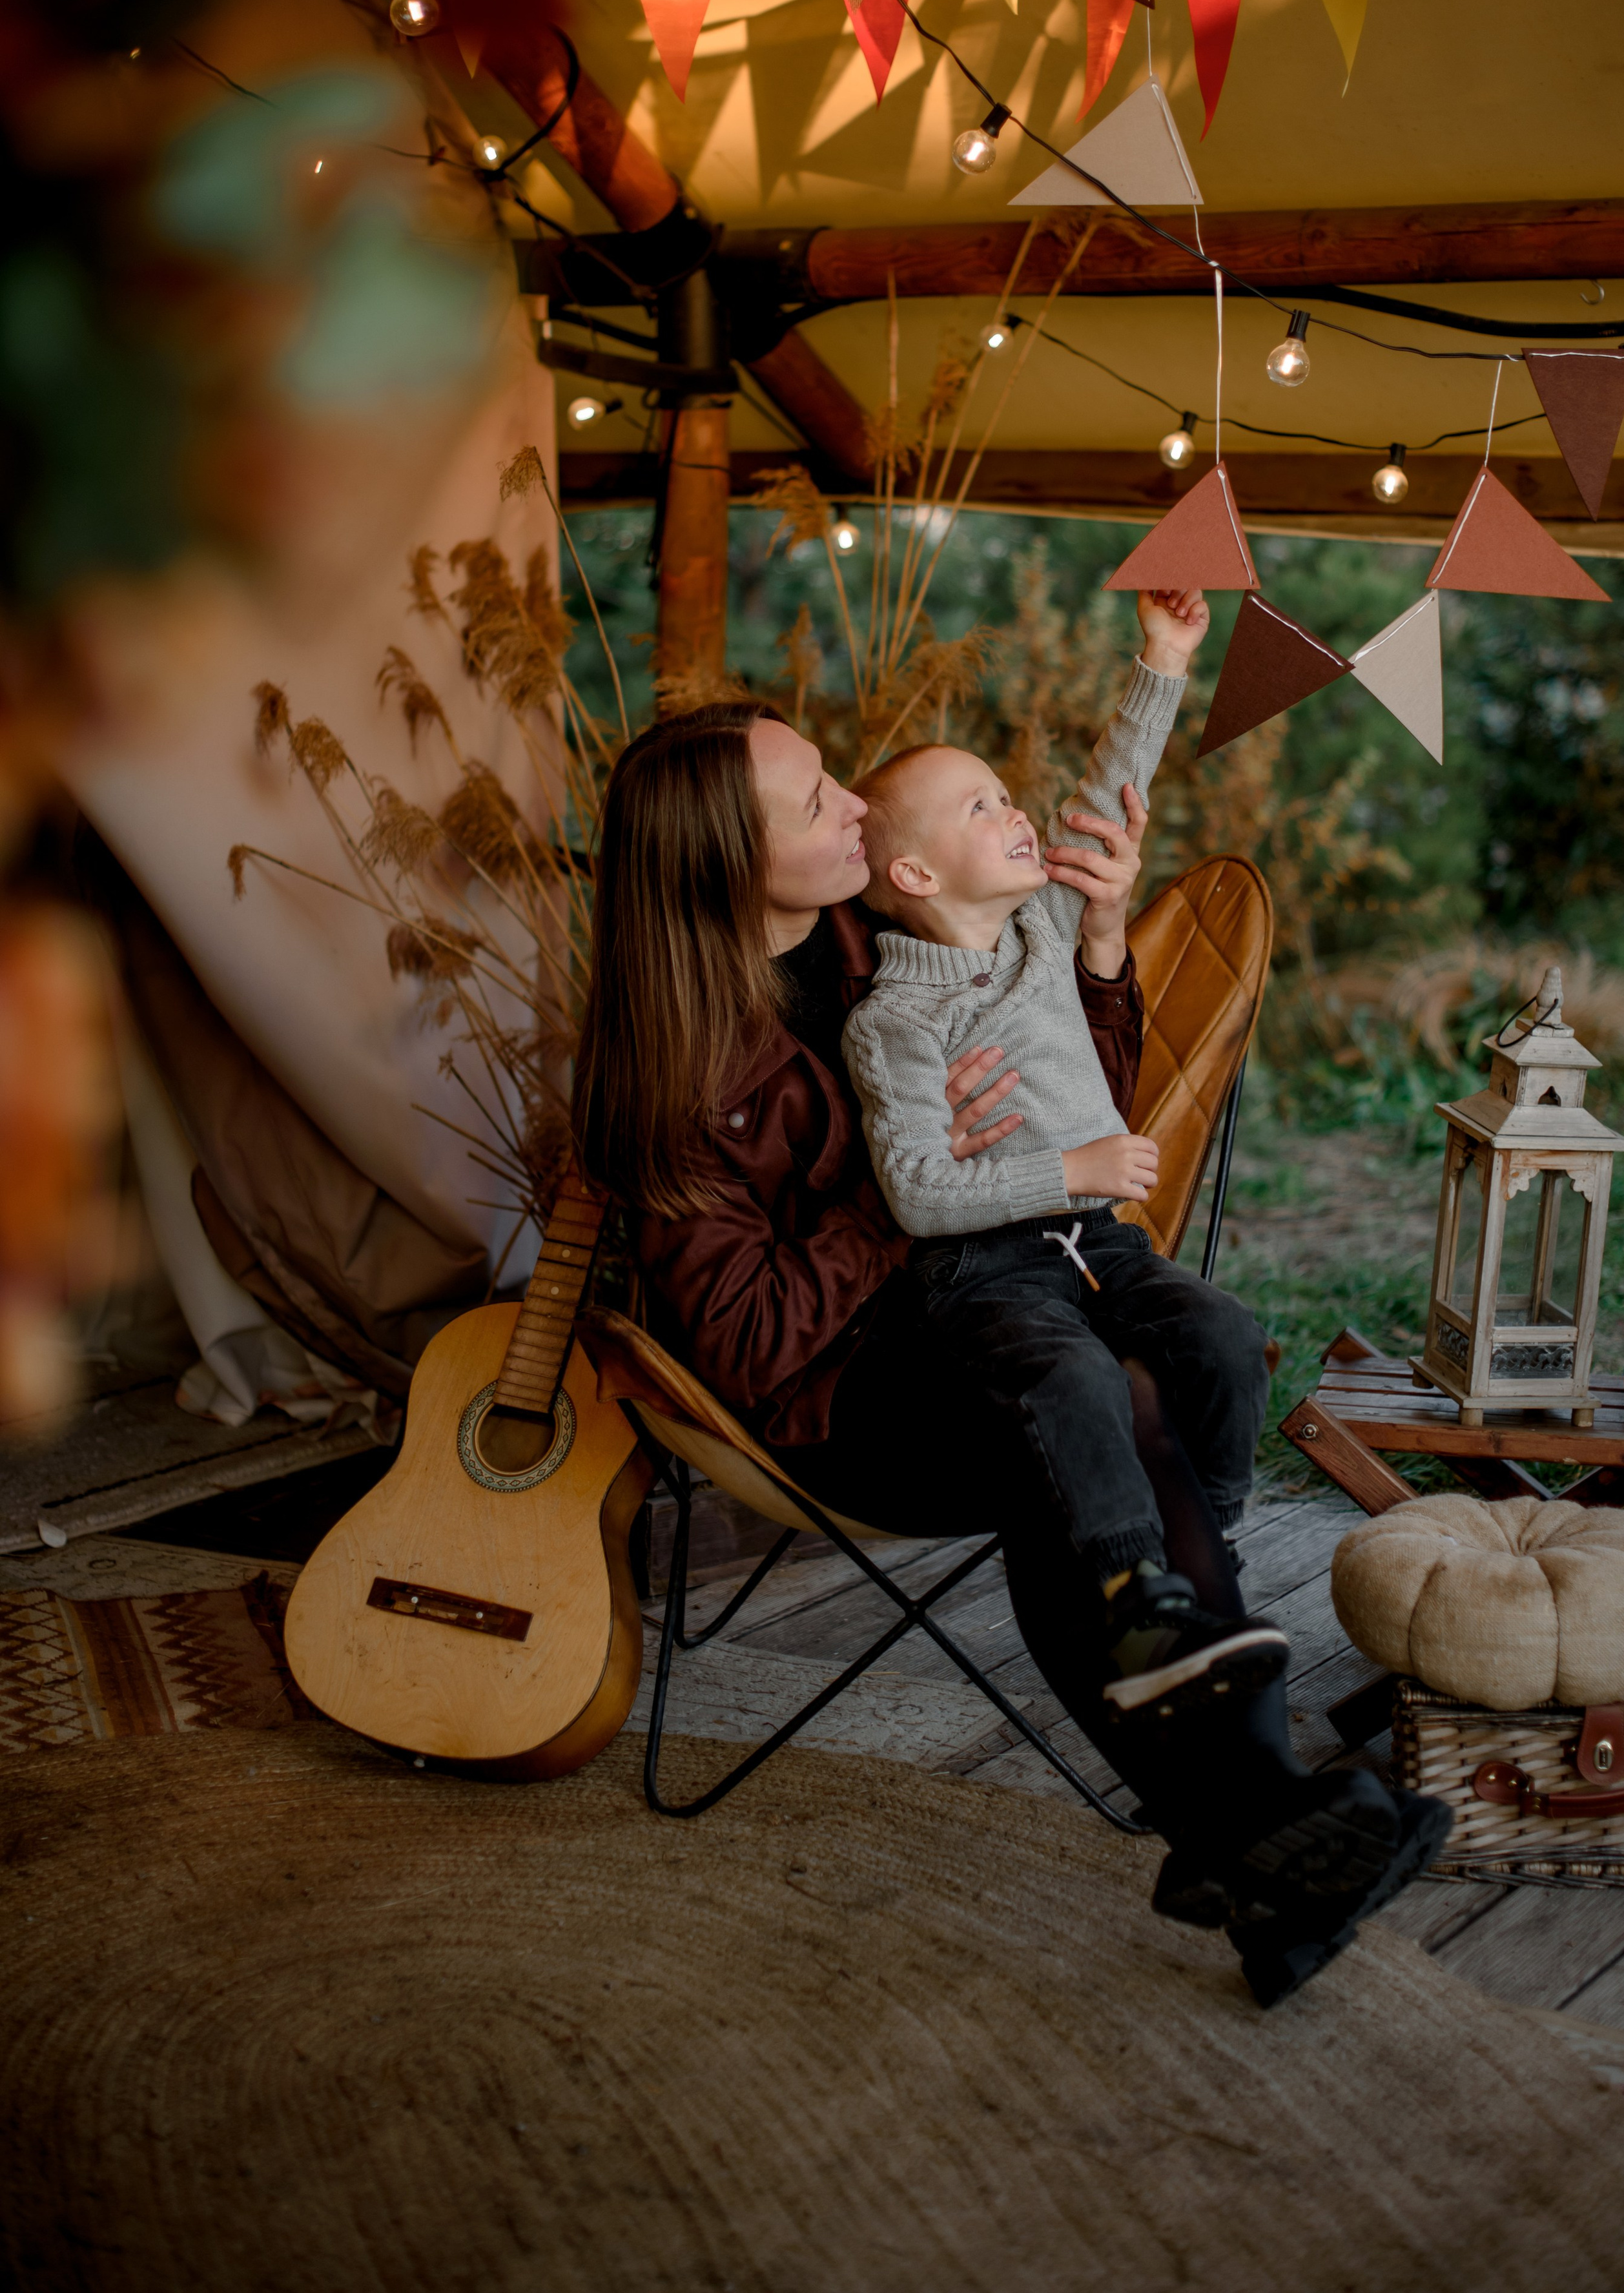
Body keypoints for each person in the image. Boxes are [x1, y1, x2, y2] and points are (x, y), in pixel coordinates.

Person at [572, 602, 1450, 2008]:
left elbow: (1063, 1088)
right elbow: (744, 1347)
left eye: (837, 781)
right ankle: (1257, 1826)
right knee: (1081, 1412)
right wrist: (895, 1199)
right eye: (816, 799)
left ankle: (1254, 1846)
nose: (852, 804)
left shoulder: (876, 932)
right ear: (729, 863)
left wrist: (1098, 941)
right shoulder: (673, 1073)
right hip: (846, 1399)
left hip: (997, 1301)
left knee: (1123, 1389)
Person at [841, 588, 1288, 1725]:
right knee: (1075, 1377)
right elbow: (920, 1194)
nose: (1015, 812)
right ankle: (1135, 1598)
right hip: (984, 1272)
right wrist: (1076, 1169)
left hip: (1100, 1246)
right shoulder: (893, 1023)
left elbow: (1107, 792)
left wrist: (1163, 659)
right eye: (981, 807)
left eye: (1006, 794)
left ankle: (1208, 1541)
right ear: (917, 877)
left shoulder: (1043, 927)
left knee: (1225, 1335)